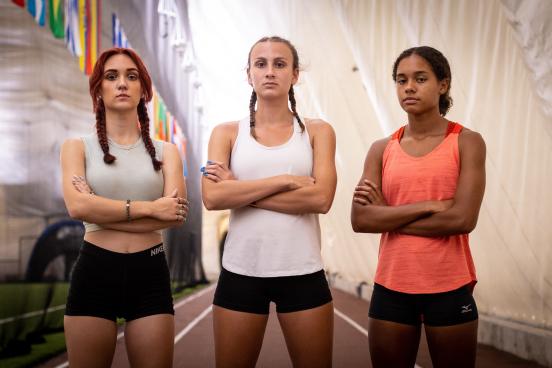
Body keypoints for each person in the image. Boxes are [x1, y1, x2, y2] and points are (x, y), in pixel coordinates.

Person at [201, 36, 337, 368]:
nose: (270, 71)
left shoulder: (318, 131)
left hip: (303, 270)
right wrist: (285, 181)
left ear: (295, 74)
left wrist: (242, 191)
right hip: (241, 271)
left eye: (280, 64)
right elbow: (213, 196)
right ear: (249, 74)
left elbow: (321, 198)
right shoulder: (226, 133)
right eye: (260, 64)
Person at [351, 46, 486, 368]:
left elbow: (462, 218)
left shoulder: (467, 142)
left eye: (420, 78)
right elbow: (360, 219)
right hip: (391, 286)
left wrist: (388, 215)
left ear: (443, 84)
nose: (408, 87)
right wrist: (429, 205)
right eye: (401, 80)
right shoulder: (381, 149)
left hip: (450, 284)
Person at [60, 47, 188, 368]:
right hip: (94, 272)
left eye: (131, 77)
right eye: (111, 76)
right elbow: (77, 207)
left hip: (150, 273)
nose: (122, 83)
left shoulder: (167, 152)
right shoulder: (76, 147)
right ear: (98, 90)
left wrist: (98, 206)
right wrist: (151, 208)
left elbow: (173, 214)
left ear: (143, 90)